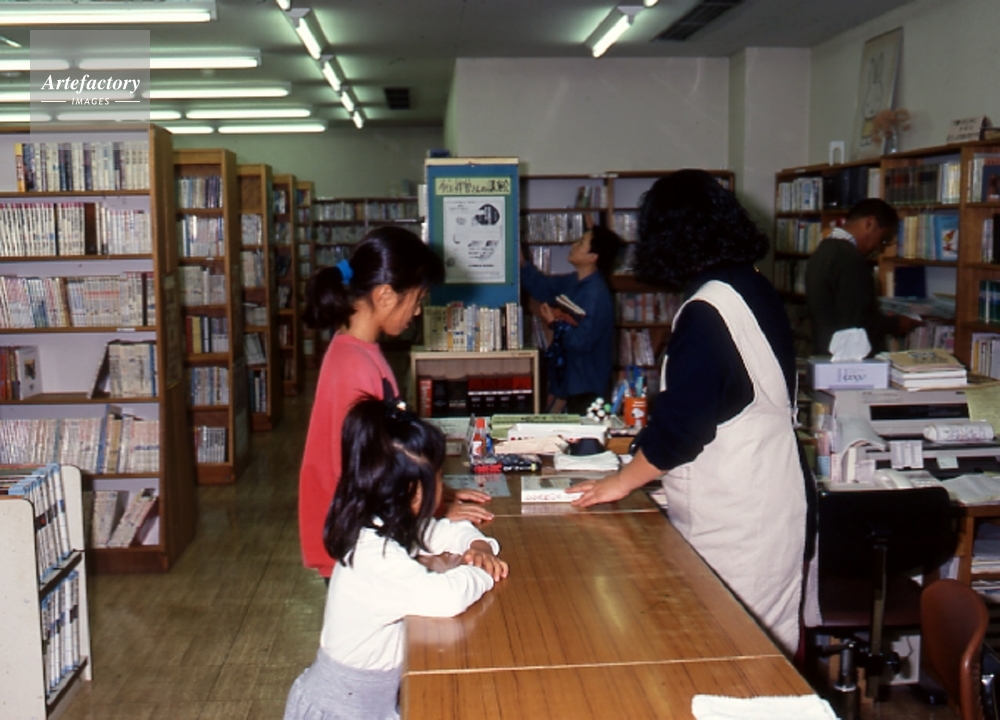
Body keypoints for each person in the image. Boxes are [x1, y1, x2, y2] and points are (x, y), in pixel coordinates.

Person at [570, 170, 810, 656]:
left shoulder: (707, 308)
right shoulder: (752, 285)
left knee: (728, 655)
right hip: (771, 499)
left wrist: (620, 482)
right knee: (761, 655)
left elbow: (682, 430)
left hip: (737, 518)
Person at [285, 397, 508, 720]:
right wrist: (482, 572)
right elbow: (446, 598)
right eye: (439, 477)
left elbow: (443, 532)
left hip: (367, 704)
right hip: (341, 711)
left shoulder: (384, 523)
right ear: (413, 491)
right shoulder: (375, 557)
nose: (443, 486)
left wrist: (479, 547)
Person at [299, 226, 493, 581]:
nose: (417, 312)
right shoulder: (354, 365)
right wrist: (432, 510)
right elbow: (365, 472)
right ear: (386, 295)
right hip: (354, 543)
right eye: (417, 300)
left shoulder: (362, 352)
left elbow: (390, 453)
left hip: (365, 532)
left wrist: (439, 495)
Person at [520, 224, 622, 414]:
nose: (574, 245)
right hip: (569, 381)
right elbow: (543, 288)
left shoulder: (596, 294)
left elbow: (581, 342)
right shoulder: (574, 281)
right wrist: (523, 265)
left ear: (593, 257)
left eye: (581, 243)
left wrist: (554, 323)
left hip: (586, 386)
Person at [805, 198, 919, 355]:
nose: (878, 248)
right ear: (870, 223)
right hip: (849, 358)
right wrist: (896, 324)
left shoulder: (822, 251)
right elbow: (857, 323)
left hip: (825, 352)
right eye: (882, 239)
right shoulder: (850, 259)